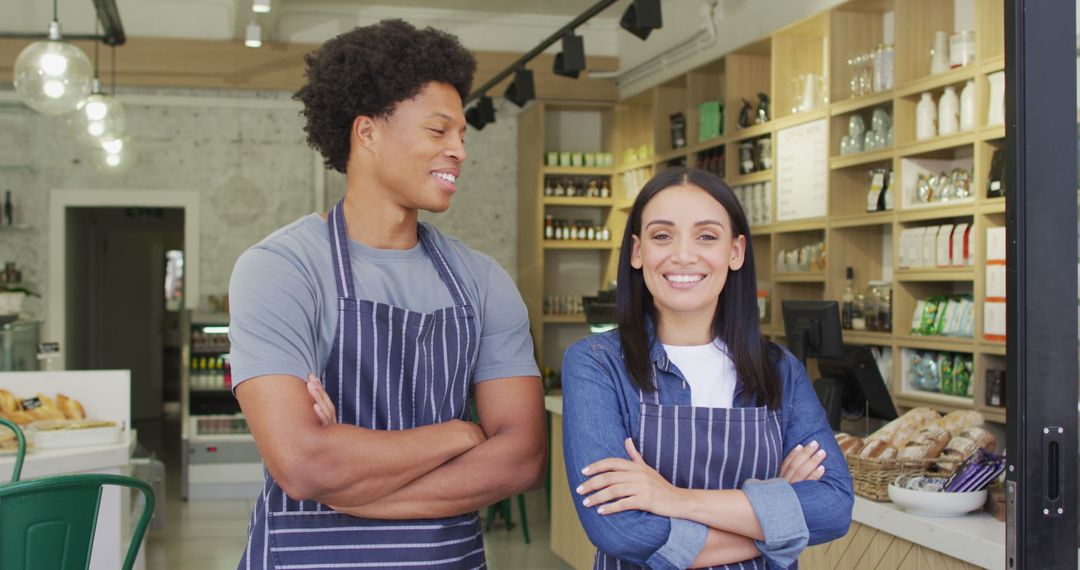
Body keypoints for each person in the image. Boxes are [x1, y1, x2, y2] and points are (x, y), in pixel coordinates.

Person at [229, 19, 546, 569]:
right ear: (367, 132)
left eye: (462, 136)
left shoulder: (483, 280)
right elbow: (304, 465)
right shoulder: (280, 269)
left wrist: (351, 485)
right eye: (438, 131)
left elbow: (522, 458)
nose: (460, 152)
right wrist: (460, 432)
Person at [561, 167, 853, 569]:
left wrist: (672, 498)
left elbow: (834, 506)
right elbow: (621, 531)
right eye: (662, 235)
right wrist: (778, 523)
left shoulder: (780, 370)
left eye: (707, 236)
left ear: (735, 252)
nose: (683, 255)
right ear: (637, 251)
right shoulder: (597, 363)